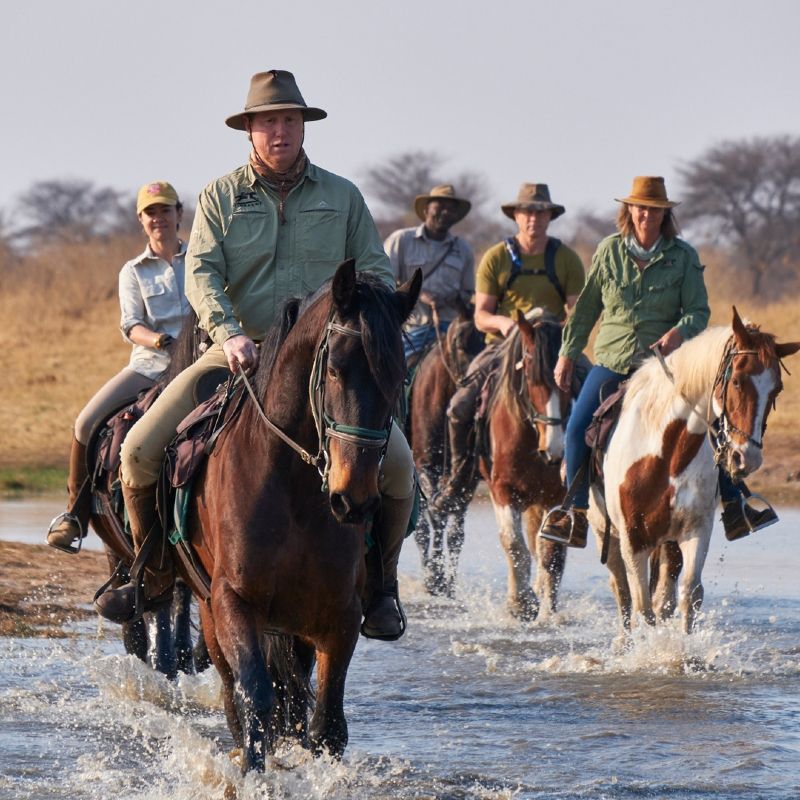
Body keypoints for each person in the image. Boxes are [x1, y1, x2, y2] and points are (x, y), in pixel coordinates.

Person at [92, 70, 415, 641]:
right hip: (238, 353)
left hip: (327, 363)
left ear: (302, 126)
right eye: (268, 122)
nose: (280, 131)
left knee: (400, 469)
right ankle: (155, 572)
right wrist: (228, 331)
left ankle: (381, 588)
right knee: (139, 451)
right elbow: (202, 272)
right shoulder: (220, 196)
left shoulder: (343, 197)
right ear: (249, 131)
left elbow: (375, 270)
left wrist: (367, 325)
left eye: (289, 120)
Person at [539, 175, 776, 549]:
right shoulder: (608, 251)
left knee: (713, 425)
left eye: (654, 209)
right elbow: (585, 310)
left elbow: (698, 310)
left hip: (665, 366)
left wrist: (680, 331)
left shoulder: (683, 256)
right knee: (576, 429)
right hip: (613, 360)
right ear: (629, 211)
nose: (646, 215)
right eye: (640, 208)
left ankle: (735, 503)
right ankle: (575, 513)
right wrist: (568, 353)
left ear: (664, 215)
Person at [46, 181, 188, 554]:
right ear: (141, 221)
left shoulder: (202, 259)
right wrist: (158, 340)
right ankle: (74, 515)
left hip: (197, 364)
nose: (159, 218)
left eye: (165, 210)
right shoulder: (133, 271)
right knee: (85, 421)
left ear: (179, 214)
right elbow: (130, 325)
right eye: (151, 212)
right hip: (150, 364)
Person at [431, 183, 585, 513]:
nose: (534, 219)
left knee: (594, 399)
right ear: (516, 215)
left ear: (550, 216)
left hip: (554, 346)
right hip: (504, 346)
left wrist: (556, 330)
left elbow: (577, 312)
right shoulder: (497, 257)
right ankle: (460, 479)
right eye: (528, 212)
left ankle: (590, 481)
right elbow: (482, 314)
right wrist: (506, 325)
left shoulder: (566, 259)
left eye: (541, 212)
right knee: (459, 405)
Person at [384, 184, 474, 364]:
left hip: (450, 331)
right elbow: (383, 282)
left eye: (451, 209)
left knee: (476, 373)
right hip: (412, 328)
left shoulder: (463, 249)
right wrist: (416, 295)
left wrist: (453, 298)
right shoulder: (401, 240)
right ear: (426, 210)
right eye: (440, 206)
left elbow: (468, 292)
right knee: (396, 372)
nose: (446, 212)